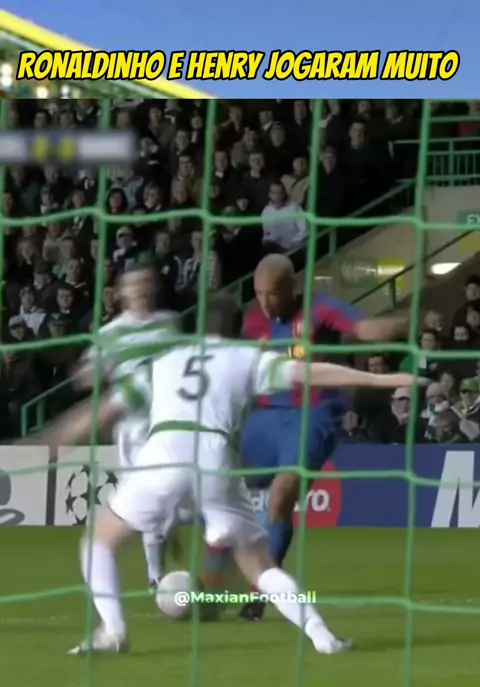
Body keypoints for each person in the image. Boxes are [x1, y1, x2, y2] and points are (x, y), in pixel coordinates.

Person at [32, 293, 422, 655]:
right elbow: (311, 374)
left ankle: (114, 630)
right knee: (258, 563)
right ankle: (323, 637)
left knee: (100, 539)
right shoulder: (246, 357)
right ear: (240, 327)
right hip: (214, 456)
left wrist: (57, 437)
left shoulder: (163, 361)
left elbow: (105, 410)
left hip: (163, 452)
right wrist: (380, 379)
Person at [203, 254, 409, 621]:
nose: (266, 302)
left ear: (292, 286)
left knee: (281, 497)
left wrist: (407, 320)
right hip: (264, 417)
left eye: (273, 294)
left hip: (313, 416)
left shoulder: (321, 309)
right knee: (219, 487)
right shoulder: (251, 322)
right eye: (259, 294)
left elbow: (364, 330)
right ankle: (211, 585)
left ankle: (260, 594)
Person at [73, 262, 180, 591]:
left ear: (154, 286)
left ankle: (166, 539)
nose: (140, 289)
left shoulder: (169, 324)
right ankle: (156, 577)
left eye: (145, 281)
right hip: (134, 431)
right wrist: (92, 374)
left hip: (172, 424)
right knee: (152, 505)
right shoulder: (110, 334)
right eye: (133, 284)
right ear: (120, 292)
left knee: (171, 503)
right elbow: (87, 375)